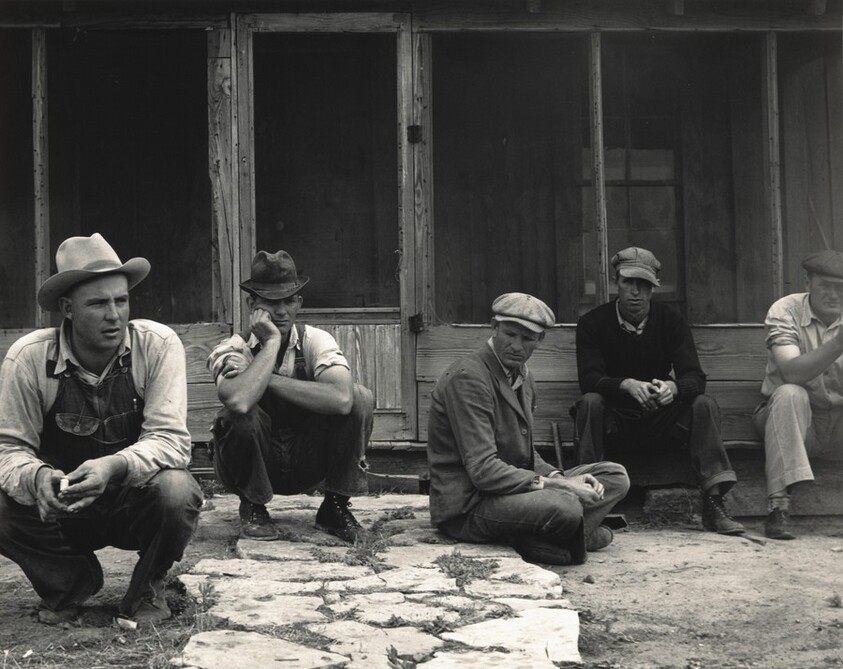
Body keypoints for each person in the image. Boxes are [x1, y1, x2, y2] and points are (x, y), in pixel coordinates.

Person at [0, 233, 202, 625]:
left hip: (134, 503)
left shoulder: (157, 346)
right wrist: (37, 478)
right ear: (67, 308)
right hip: (61, 513)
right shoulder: (28, 358)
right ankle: (70, 584)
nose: (114, 315)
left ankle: (147, 589)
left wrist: (113, 466)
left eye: (121, 300)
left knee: (177, 491)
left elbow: (172, 441)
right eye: (98, 303)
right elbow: (8, 450)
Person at [427, 292, 630, 566]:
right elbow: (483, 471)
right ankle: (563, 539)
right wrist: (562, 485)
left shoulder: (524, 377)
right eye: (510, 334)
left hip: (512, 490)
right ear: (494, 327)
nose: (516, 346)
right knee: (565, 504)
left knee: (615, 476)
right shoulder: (469, 378)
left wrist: (557, 474)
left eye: (527, 339)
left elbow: (524, 451)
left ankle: (548, 536)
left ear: (540, 340)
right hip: (470, 505)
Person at [572, 246, 745, 536]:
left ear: (654, 289)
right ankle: (588, 501)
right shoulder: (593, 323)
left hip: (662, 420)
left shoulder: (671, 321)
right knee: (590, 402)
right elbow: (589, 379)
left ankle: (714, 502)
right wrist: (626, 384)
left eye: (644, 285)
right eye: (629, 283)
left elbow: (695, 377)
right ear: (617, 282)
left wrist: (673, 388)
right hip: (617, 421)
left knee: (704, 403)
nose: (635, 293)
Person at [207, 250, 374, 543]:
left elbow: (342, 399)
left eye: (289, 301)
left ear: (299, 303)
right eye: (271, 303)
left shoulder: (316, 340)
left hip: (305, 459)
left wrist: (266, 378)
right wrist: (271, 343)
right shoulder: (232, 347)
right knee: (237, 415)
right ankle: (253, 505)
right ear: (252, 305)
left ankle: (334, 507)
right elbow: (238, 400)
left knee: (360, 397)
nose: (282, 312)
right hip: (255, 463)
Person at [754, 250, 843, 540]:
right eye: (825, 286)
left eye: (840, 287)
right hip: (793, 424)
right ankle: (778, 507)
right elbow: (792, 372)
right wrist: (840, 342)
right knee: (790, 393)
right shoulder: (785, 310)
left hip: (838, 424)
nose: (833, 295)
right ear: (808, 283)